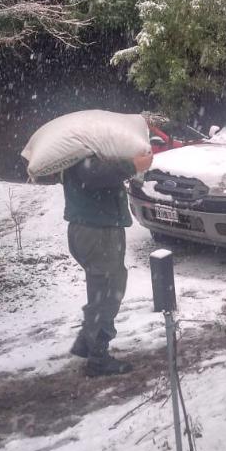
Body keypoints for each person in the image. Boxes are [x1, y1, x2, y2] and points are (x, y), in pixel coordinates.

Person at [63, 149, 154, 377]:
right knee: (108, 290)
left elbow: (99, 175)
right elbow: (94, 176)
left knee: (101, 289)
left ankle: (88, 340)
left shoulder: (75, 151)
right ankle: (98, 357)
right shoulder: (83, 153)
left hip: (91, 227)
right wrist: (132, 164)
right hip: (98, 231)